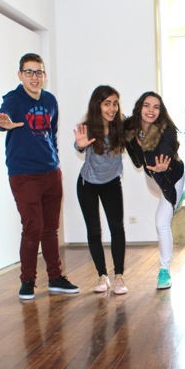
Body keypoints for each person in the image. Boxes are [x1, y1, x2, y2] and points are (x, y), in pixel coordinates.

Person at [0, 53, 80, 299]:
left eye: (39, 72)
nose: (34, 77)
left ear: (44, 75)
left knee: (50, 229)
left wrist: (55, 161)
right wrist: (3, 123)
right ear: (20, 75)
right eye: (29, 72)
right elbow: (1, 118)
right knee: (33, 227)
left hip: (51, 171)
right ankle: (28, 281)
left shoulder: (50, 100)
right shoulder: (14, 99)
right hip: (24, 174)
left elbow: (52, 134)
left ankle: (55, 278)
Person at [124, 91, 185, 290]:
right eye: (147, 105)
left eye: (156, 107)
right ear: (139, 107)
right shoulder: (131, 128)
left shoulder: (166, 129)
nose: (151, 110)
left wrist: (163, 162)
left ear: (161, 111)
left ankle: (164, 271)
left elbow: (168, 146)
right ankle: (179, 199)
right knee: (163, 200)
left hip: (171, 177)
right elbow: (136, 160)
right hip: (151, 178)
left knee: (161, 223)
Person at [73, 85, 127, 295]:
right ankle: (102, 275)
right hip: (87, 184)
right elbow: (78, 146)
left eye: (115, 104)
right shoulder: (88, 128)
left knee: (117, 228)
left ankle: (119, 276)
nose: (112, 108)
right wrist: (80, 145)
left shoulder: (121, 125)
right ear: (98, 105)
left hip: (111, 182)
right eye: (107, 104)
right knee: (94, 231)